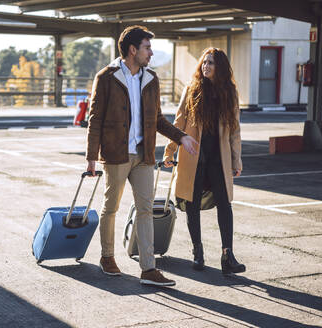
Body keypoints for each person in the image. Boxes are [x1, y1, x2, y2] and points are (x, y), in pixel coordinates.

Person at [86, 25, 198, 286]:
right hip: (116, 154)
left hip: (143, 154)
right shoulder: (107, 77)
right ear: (133, 50)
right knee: (110, 207)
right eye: (147, 48)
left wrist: (180, 136)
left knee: (145, 210)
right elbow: (95, 119)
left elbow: (158, 119)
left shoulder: (151, 79)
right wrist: (91, 157)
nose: (151, 53)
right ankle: (107, 257)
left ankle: (148, 269)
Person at [163, 47, 246, 275]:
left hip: (218, 159)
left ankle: (227, 255)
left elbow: (235, 130)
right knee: (192, 204)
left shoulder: (229, 92)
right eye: (204, 62)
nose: (206, 66)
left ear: (220, 67)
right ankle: (197, 252)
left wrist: (236, 160)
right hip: (193, 157)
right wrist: (169, 151)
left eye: (211, 63)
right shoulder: (192, 89)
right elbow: (179, 122)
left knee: (225, 205)